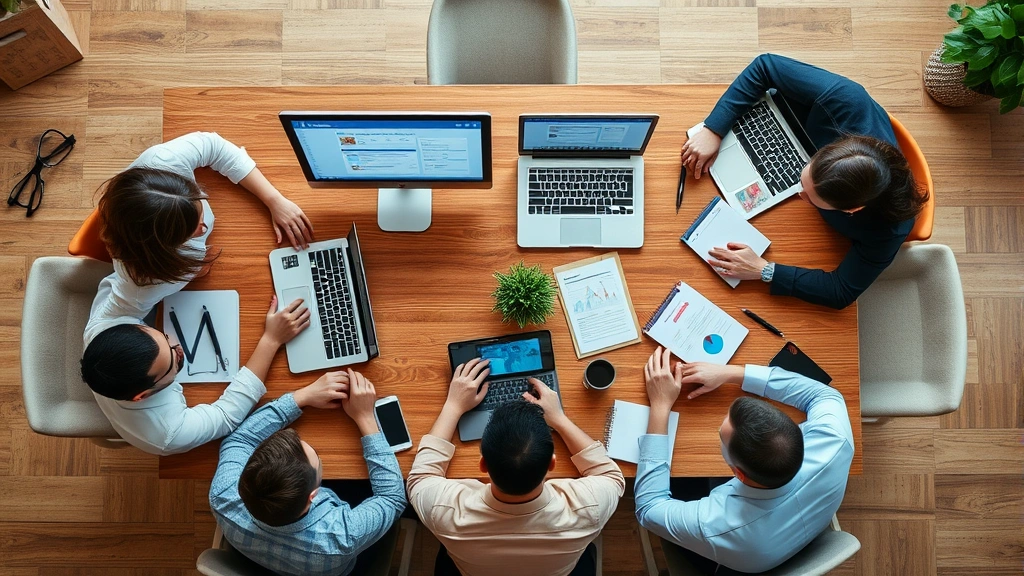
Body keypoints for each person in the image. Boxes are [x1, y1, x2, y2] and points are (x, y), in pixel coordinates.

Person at [681, 54, 929, 309]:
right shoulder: (847, 100)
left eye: (810, 197)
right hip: (780, 121)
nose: (800, 193)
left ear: (851, 210)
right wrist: (713, 129)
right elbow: (765, 66)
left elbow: (841, 290)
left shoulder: (889, 229)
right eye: (804, 178)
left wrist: (765, 270)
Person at [634, 347, 854, 574]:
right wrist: (732, 373)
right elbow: (826, 395)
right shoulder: (834, 439)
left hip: (734, 556)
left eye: (721, 435)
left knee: (680, 477)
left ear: (738, 473)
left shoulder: (716, 524)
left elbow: (648, 508)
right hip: (792, 534)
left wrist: (660, 405)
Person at [407, 358, 625, 576]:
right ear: (552, 463)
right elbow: (611, 475)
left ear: (483, 465)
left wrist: (453, 406)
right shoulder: (589, 508)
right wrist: (559, 419)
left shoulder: (444, 512)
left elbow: (420, 478)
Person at [209, 368, 407, 576]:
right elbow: (392, 498)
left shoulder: (223, 494)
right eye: (318, 458)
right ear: (314, 495)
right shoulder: (340, 537)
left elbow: (239, 440)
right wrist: (366, 417)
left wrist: (303, 396)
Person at [79, 295, 309, 455]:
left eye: (164, 337)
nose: (179, 347)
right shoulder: (168, 435)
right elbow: (226, 415)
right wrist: (271, 340)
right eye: (173, 361)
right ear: (143, 395)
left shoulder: (106, 324)